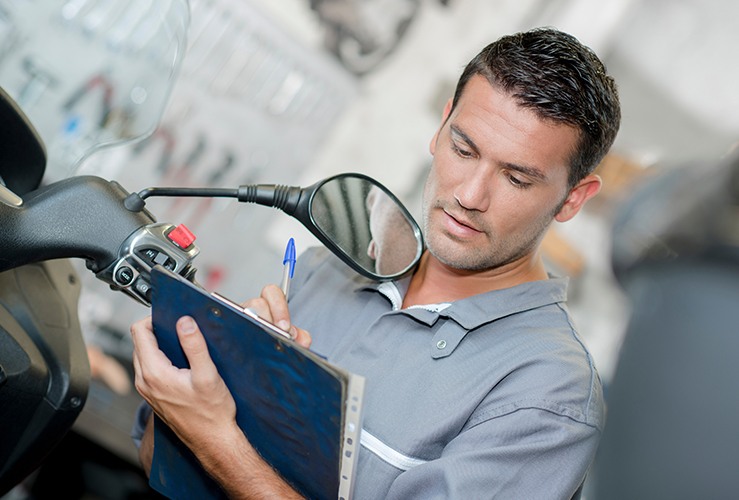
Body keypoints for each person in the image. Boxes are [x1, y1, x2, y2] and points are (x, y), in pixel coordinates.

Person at [130, 27, 620, 498]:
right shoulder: (327, 271)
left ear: (573, 198)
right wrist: (216, 376)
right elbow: (156, 464)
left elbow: (214, 446)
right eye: (463, 148)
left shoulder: (549, 396)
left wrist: (221, 442)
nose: (470, 196)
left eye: (516, 179)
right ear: (441, 124)